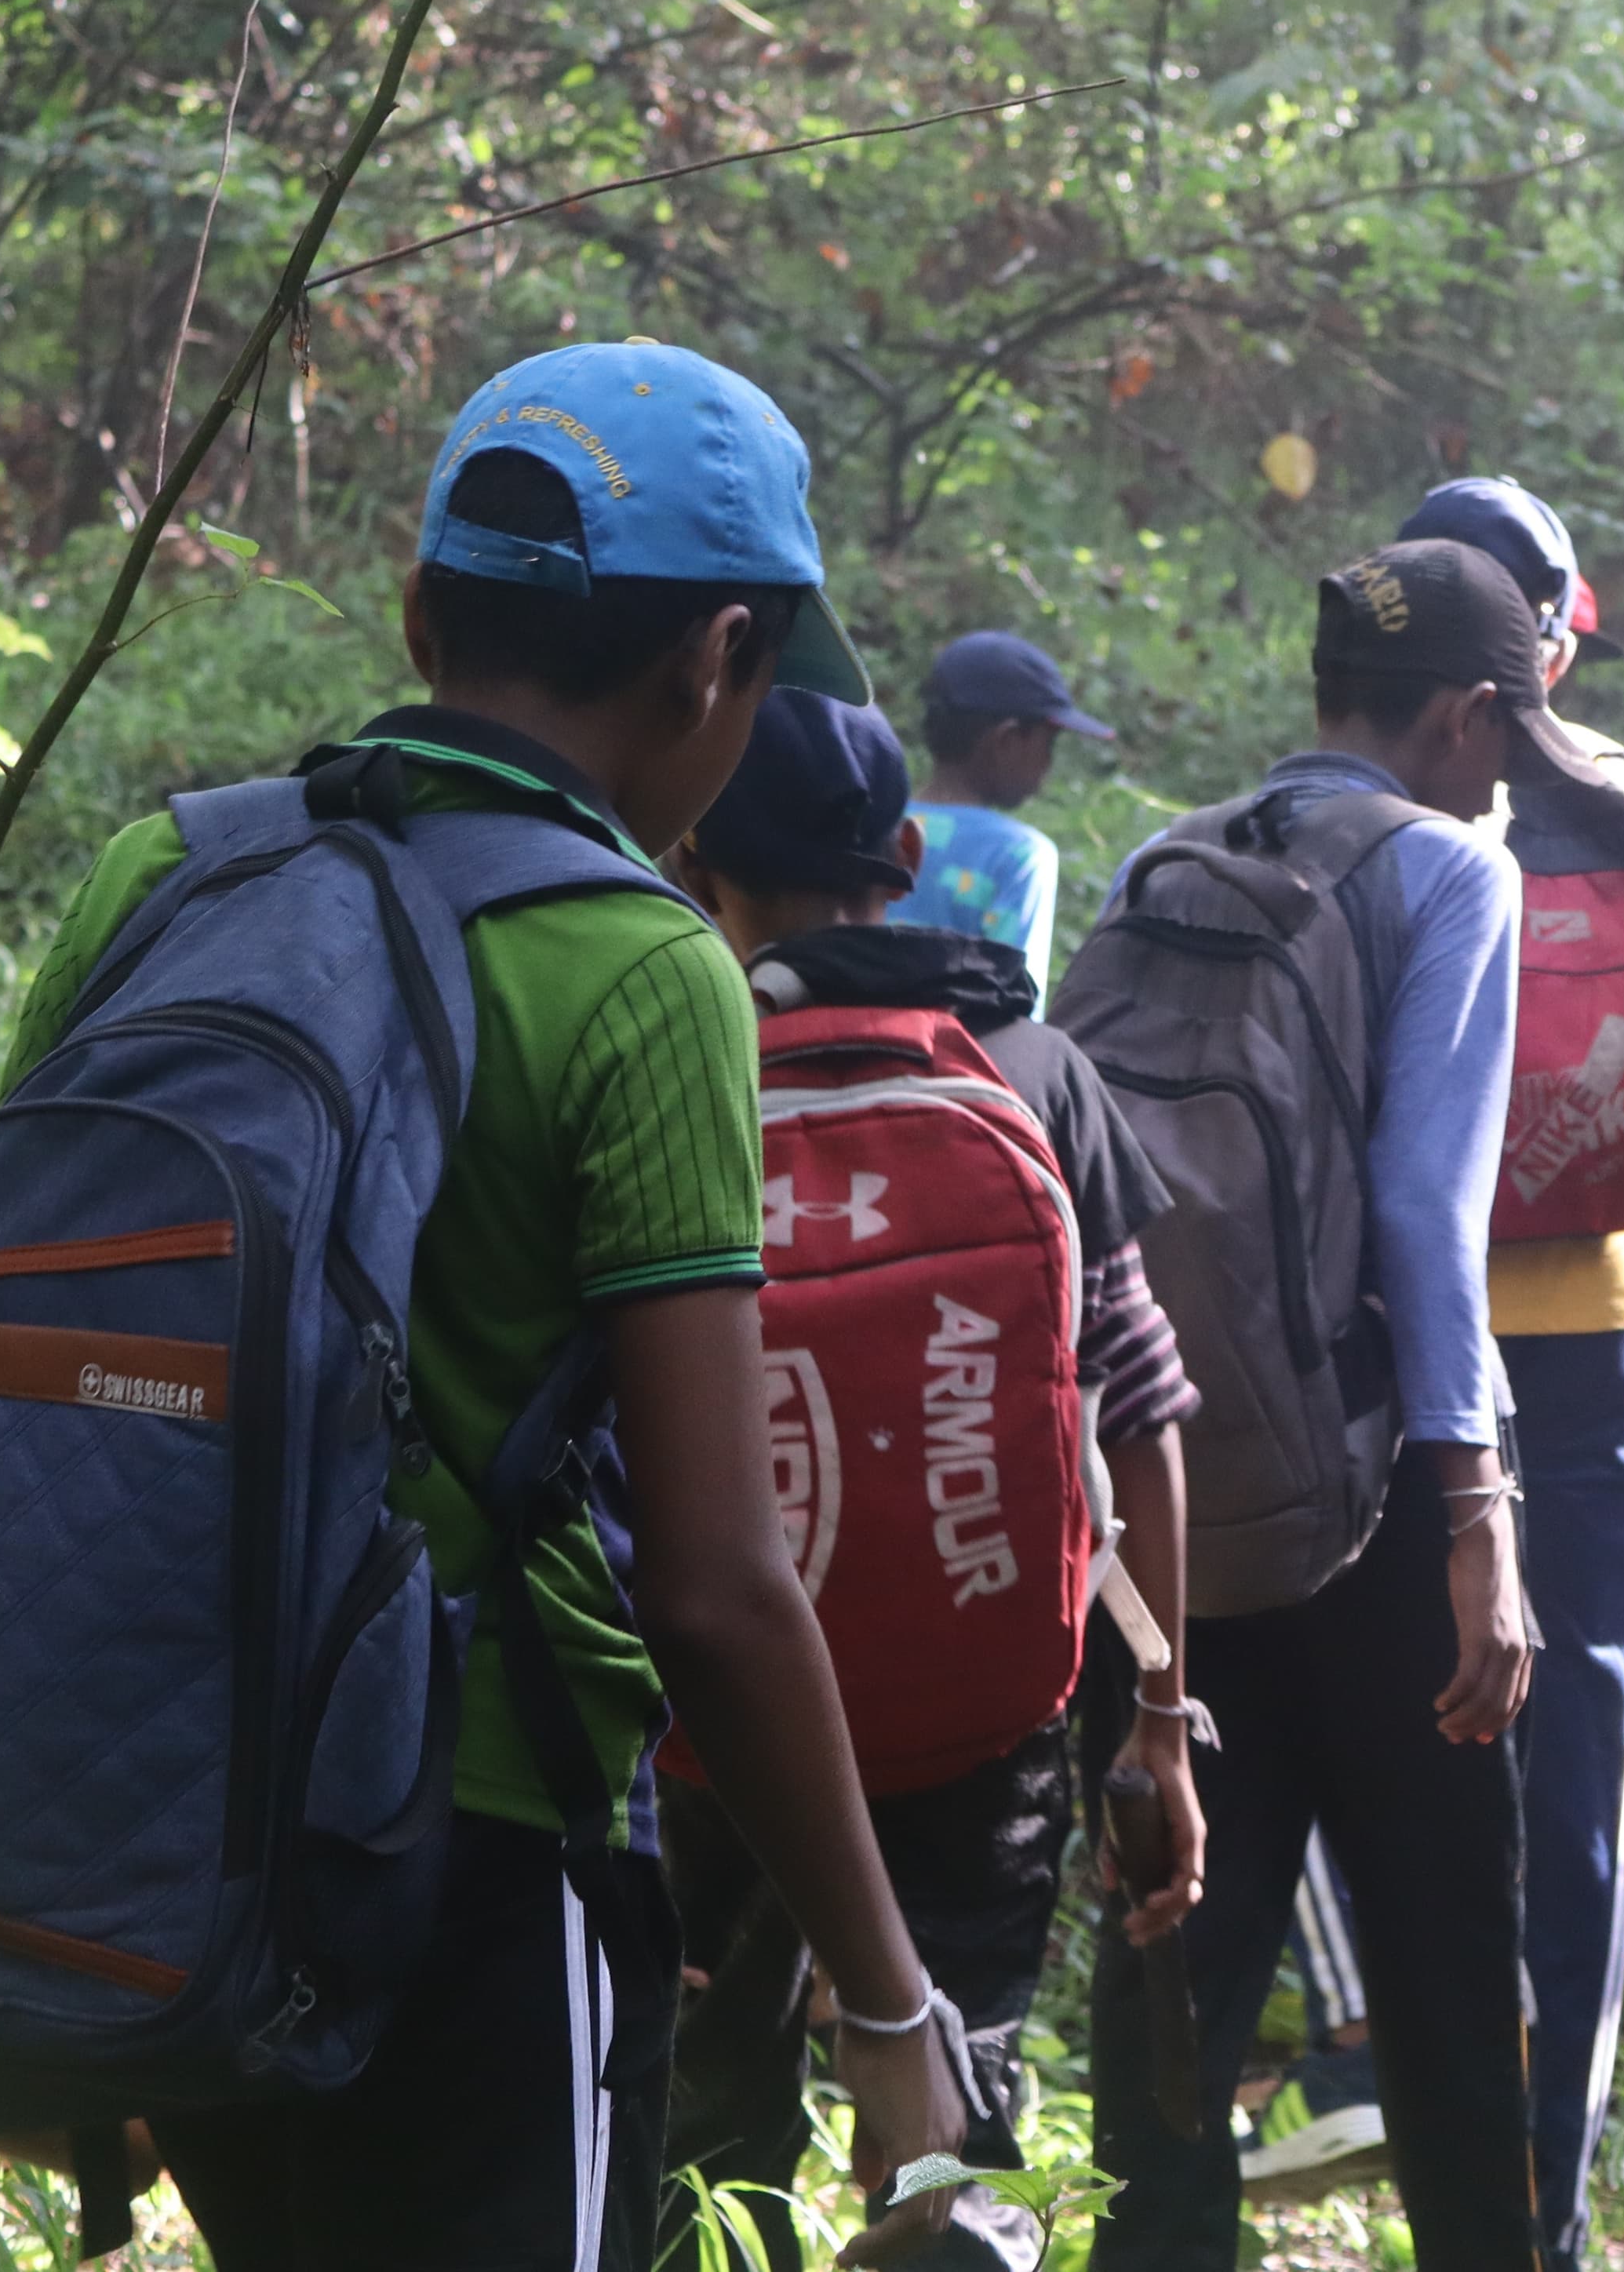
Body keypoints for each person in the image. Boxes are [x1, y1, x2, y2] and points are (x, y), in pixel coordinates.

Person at [0, 343, 964, 2271]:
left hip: (171, 1835)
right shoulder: (639, 969)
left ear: (420, 610)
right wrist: (885, 2004)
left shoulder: (162, 879)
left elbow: (40, 1389)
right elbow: (712, 1580)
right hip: (484, 1857)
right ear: (715, 666)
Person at [658, 687, 1205, 2272]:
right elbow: (1149, 1417)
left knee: (711, 2115)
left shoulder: (676, 1066)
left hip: (723, 1727)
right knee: (971, 2095)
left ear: (699, 861)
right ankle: (957, 2213)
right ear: (903, 854)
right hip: (988, 1714)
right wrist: (1160, 1715)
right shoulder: (1032, 1068)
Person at [1075, 537, 1538, 2272]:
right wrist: (1480, 1523)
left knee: (1173, 1977)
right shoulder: (1451, 874)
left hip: (1156, 1496)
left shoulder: (1162, 855)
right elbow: (1428, 1211)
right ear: (1475, 716)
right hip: (1368, 1497)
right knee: (1435, 1974)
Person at [1273, 475, 1624, 2272]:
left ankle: (1362, 2075)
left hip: (1388, 1372)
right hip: (1592, 1370)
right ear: (1554, 634)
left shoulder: (1333, 824)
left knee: (1362, 1747)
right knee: (1573, 1801)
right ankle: (1536, 2199)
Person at [885, 630, 1116, 1003]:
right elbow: (1017, 1005)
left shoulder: (875, 825)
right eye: (1049, 742)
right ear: (1006, 740)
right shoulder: (1020, 856)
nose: (1049, 763)